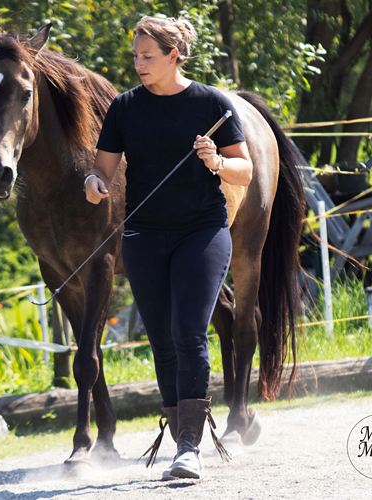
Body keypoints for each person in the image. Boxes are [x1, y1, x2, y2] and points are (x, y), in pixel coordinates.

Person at [85, 16, 253, 480]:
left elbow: (245, 171)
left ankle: (189, 448)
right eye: (135, 56)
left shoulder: (212, 104)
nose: (138, 64)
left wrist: (216, 162)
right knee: (161, 340)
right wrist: (93, 184)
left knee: (188, 332)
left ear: (173, 56)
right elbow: (100, 170)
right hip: (142, 237)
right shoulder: (124, 108)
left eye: (147, 56)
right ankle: (181, 433)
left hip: (202, 230)